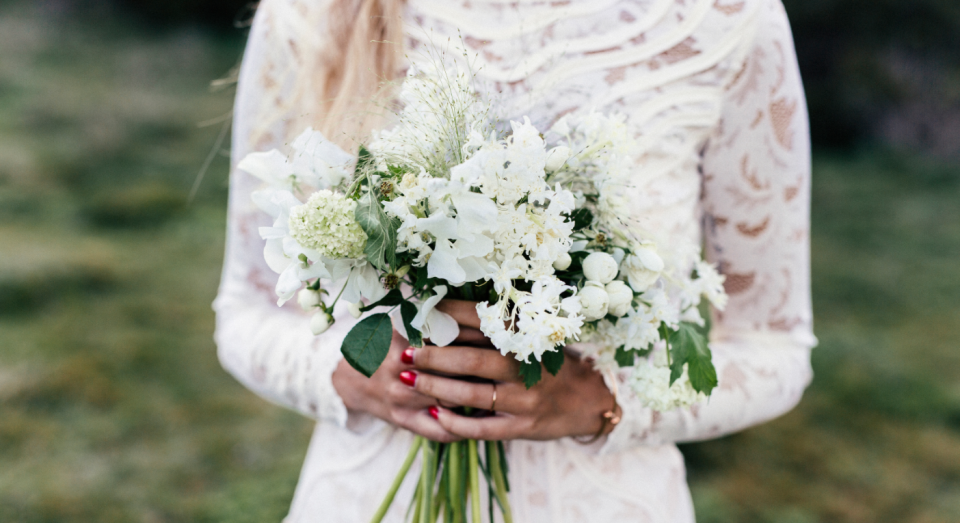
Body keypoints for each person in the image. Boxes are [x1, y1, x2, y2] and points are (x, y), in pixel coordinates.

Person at [214, 0, 817, 521]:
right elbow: (244, 311)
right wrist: (343, 372)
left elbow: (776, 346)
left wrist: (603, 401)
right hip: (363, 498)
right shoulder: (313, 13)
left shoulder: (725, 21)